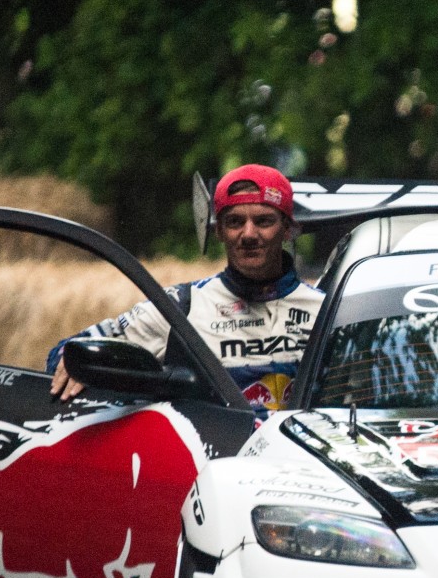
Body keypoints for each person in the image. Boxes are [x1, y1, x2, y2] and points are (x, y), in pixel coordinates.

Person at [48, 164, 323, 412]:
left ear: (288, 229)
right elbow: (67, 351)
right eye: (235, 222)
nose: (249, 234)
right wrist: (73, 364)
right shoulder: (181, 307)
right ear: (218, 231)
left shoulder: (325, 310)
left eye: (263, 221)